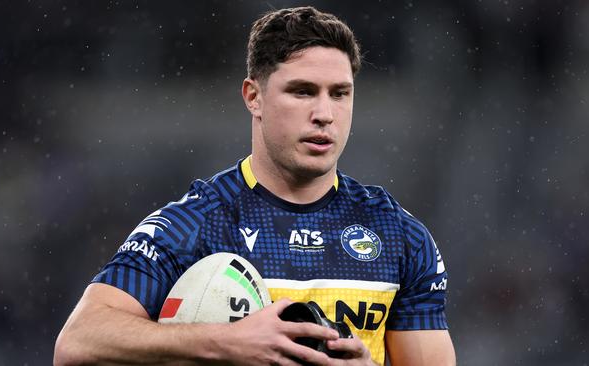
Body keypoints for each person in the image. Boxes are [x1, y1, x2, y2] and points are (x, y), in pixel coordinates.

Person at [54, 6, 455, 366]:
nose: (324, 114)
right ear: (254, 97)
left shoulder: (401, 236)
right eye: (302, 91)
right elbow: (78, 342)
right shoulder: (194, 224)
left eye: (340, 94)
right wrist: (228, 342)